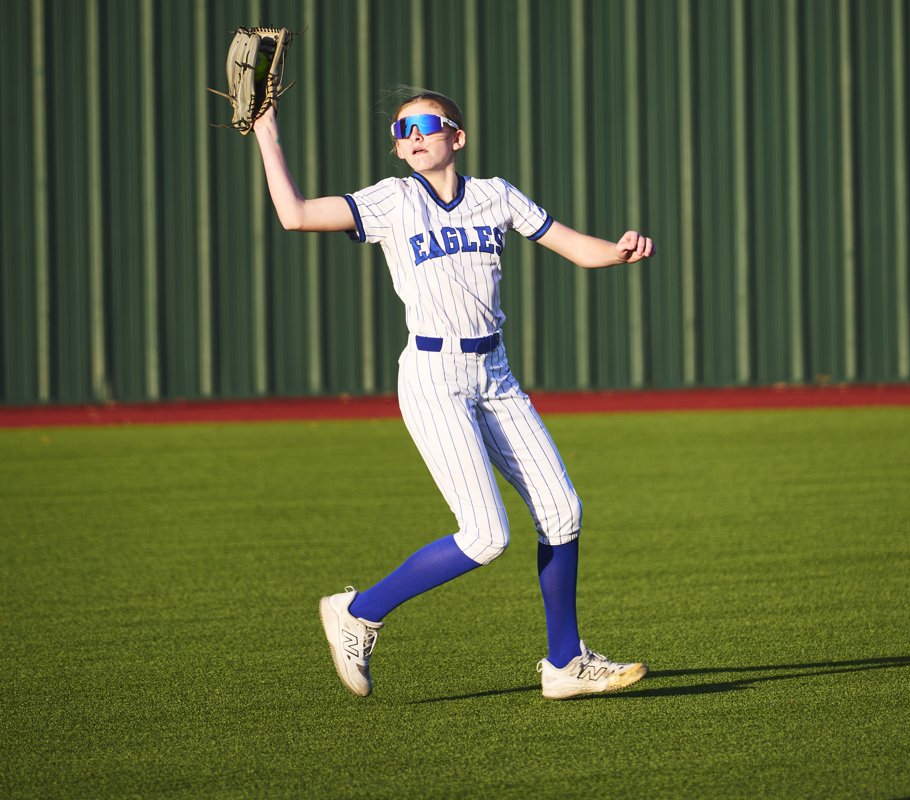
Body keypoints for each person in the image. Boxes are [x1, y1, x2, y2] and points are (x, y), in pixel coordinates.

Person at [251, 89, 655, 700]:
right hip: (434, 378)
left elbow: (577, 248)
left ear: (456, 137)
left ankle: (565, 663)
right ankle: (358, 612)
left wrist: (619, 252)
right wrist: (265, 130)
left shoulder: (495, 194)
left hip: (495, 373)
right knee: (486, 536)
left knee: (563, 510)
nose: (411, 135)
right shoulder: (394, 199)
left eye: (425, 125)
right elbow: (296, 214)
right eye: (400, 128)